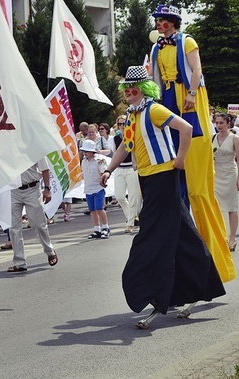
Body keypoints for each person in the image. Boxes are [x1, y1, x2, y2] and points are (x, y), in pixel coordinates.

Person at [101, 66, 225, 329]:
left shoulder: (154, 110)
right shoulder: (132, 116)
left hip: (163, 177)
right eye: (125, 89)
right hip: (148, 179)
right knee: (183, 236)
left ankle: (157, 298)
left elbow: (186, 128)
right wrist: (109, 169)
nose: (127, 92)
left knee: (154, 236)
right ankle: (198, 287)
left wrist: (180, 161)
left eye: (132, 88)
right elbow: (126, 146)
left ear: (143, 88)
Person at [150, 4, 234, 282]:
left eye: (163, 20)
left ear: (172, 22)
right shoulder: (156, 49)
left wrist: (191, 93)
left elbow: (196, 69)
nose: (160, 24)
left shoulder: (187, 40)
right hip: (167, 96)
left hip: (188, 95)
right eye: (158, 21)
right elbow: (154, 77)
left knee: (199, 187)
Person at [6, 160, 58, 272]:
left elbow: (45, 169)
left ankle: (50, 251)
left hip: (32, 189)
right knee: (14, 228)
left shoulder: (33, 146)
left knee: (38, 224)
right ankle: (20, 262)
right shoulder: (6, 149)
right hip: (13, 191)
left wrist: (47, 189)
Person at [212, 113, 239, 251]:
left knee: (232, 207)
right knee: (216, 206)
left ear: (228, 124)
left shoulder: (235, 138)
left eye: (221, 123)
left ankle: (233, 237)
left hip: (230, 174)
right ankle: (219, 235)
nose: (218, 126)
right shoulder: (212, 138)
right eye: (217, 123)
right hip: (216, 174)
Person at [112, 115, 142, 233]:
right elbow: (115, 153)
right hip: (120, 169)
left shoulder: (134, 135)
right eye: (120, 124)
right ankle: (133, 217)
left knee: (134, 197)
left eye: (124, 123)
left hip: (131, 168)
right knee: (119, 196)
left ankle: (130, 224)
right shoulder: (116, 138)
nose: (122, 126)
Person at [80, 139, 110, 239]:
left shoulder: (100, 160)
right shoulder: (83, 162)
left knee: (99, 208)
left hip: (98, 188)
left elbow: (103, 173)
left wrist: (103, 181)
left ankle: (105, 227)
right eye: (84, 151)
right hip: (88, 188)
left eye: (87, 151)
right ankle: (96, 229)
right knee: (92, 210)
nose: (85, 153)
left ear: (92, 151)